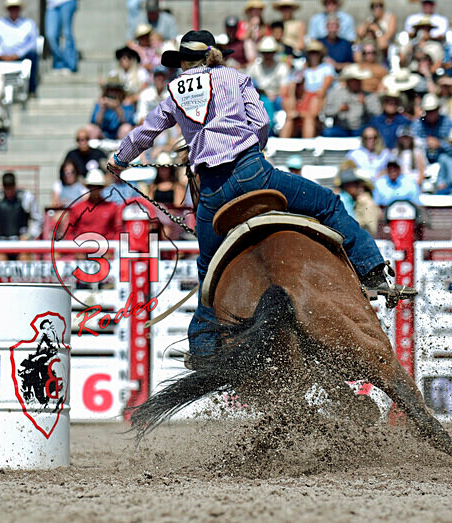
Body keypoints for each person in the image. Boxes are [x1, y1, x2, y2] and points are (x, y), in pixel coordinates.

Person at [107, 30, 400, 363]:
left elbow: (146, 132)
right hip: (254, 173)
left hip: (213, 191)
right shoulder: (234, 77)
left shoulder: (174, 92)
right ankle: (372, 269)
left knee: (208, 269)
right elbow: (261, 122)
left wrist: (119, 160)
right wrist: (253, 150)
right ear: (212, 56)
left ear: (184, 62)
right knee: (329, 204)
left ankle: (203, 349)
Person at [0, 171, 43, 242]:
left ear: (15, 186)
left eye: (11, 188)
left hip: (21, 241)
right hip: (0, 241)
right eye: (6, 188)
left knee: (24, 250)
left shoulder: (26, 197)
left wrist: (30, 235)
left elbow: (38, 218)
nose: (9, 192)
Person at [0, 0, 39, 95]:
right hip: (2, 56)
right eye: (11, 8)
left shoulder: (28, 24)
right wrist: (0, 54)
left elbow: (33, 43)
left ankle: (31, 90)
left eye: (15, 8)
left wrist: (18, 54)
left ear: (19, 9)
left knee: (32, 56)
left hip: (22, 55)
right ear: (8, 10)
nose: (13, 10)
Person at [62, 169, 122, 241]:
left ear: (102, 188)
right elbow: (68, 232)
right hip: (82, 246)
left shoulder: (112, 207)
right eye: (92, 186)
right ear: (88, 187)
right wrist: (76, 246)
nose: (95, 189)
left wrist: (112, 245)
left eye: (98, 186)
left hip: (106, 246)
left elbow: (118, 231)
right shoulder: (77, 208)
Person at [322, 64, 381, 137]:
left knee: (371, 131)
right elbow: (326, 112)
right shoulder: (336, 94)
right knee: (328, 132)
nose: (356, 83)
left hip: (361, 128)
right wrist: (338, 109)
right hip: (341, 128)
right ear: (348, 82)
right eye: (353, 81)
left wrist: (365, 104)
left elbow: (377, 113)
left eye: (358, 80)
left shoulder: (369, 96)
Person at [247, 37, 289, 113]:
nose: (267, 55)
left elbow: (284, 90)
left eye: (270, 53)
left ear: (274, 53)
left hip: (276, 99)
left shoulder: (282, 67)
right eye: (265, 53)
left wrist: (273, 96)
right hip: (258, 98)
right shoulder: (254, 67)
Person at [336, 168, 379, 236]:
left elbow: (370, 229)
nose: (345, 189)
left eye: (348, 185)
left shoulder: (366, 203)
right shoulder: (353, 202)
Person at [90, 74, 134, 140]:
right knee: (90, 128)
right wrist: (102, 109)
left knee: (126, 128)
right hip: (103, 133)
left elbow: (127, 121)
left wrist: (117, 108)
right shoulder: (100, 102)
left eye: (115, 90)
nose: (112, 93)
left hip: (118, 134)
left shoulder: (126, 104)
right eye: (110, 89)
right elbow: (95, 122)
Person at [45, 0, 78, 74]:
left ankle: (70, 65)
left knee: (67, 33)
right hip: (51, 5)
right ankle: (58, 63)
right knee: (51, 35)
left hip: (67, 2)